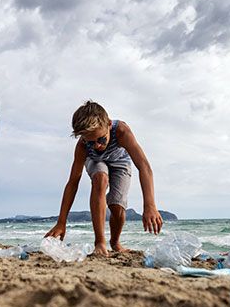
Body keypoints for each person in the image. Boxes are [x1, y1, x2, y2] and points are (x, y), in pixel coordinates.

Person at [45, 101, 163, 256]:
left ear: (108, 124)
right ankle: (100, 242)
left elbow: (144, 167)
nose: (97, 146)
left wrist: (150, 206)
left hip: (120, 162)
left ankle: (115, 242)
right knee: (100, 178)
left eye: (101, 140)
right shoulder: (82, 147)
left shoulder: (122, 131)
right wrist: (61, 222)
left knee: (117, 206)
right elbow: (73, 183)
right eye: (90, 142)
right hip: (95, 161)